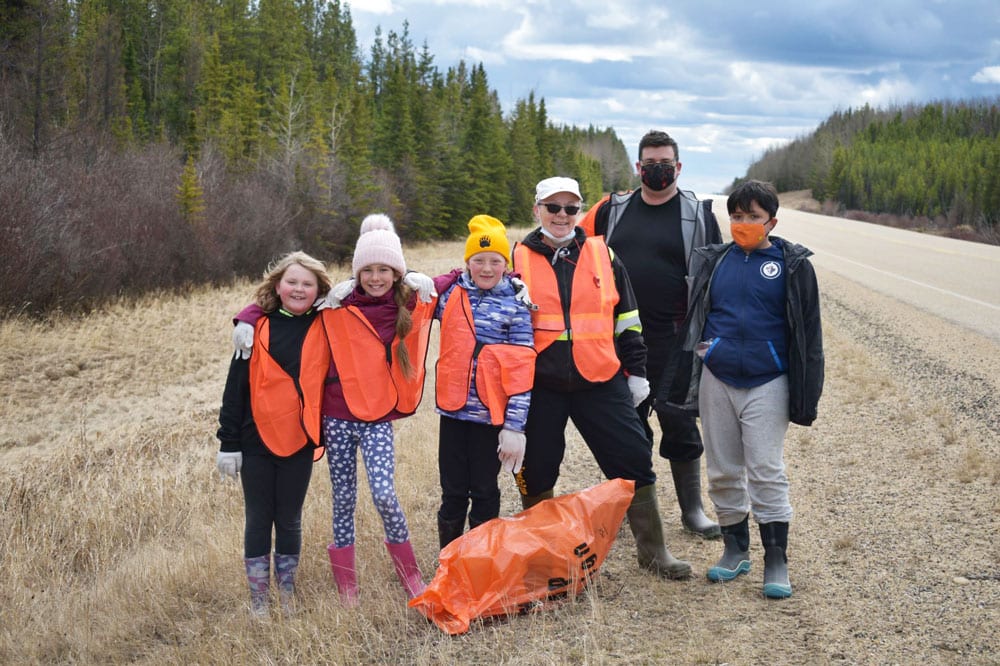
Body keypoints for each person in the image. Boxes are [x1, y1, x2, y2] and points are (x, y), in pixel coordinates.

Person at [231, 214, 438, 607]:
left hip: (377, 419)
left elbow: (465, 282)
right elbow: (283, 303)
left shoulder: (407, 303)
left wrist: (417, 275)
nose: (375, 278)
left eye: (385, 270)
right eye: (367, 270)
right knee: (343, 499)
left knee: (384, 494)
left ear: (396, 273)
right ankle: (346, 583)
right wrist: (246, 318)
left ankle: (410, 575)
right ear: (356, 272)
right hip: (337, 419)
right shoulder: (335, 304)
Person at [511, 176, 692, 580]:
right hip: (540, 382)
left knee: (633, 457)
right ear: (537, 209)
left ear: (579, 212)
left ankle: (653, 552)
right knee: (535, 468)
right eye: (553, 207)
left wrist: (637, 373)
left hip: (600, 377)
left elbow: (628, 318)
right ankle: (542, 555)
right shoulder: (516, 259)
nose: (562, 215)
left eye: (570, 208)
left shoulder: (602, 254)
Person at [670, 180, 824, 598]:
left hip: (768, 380)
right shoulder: (715, 261)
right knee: (722, 469)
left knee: (765, 469)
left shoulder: (792, 265)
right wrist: (705, 353)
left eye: (753, 216)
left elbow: (809, 334)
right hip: (717, 378)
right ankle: (735, 550)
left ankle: (776, 559)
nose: (743, 223)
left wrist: (807, 392)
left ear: (771, 221)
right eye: (737, 216)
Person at [579, 129, 723, 540]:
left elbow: (714, 278)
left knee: (680, 425)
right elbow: (576, 251)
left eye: (665, 163)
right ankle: (636, 512)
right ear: (637, 167)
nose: (657, 169)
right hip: (619, 341)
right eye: (650, 163)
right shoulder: (611, 210)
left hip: (676, 341)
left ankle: (693, 511)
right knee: (626, 428)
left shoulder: (698, 215)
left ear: (678, 167)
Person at [216, 251, 333, 618]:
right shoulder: (254, 329)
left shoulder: (327, 323)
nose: (299, 289)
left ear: (319, 290)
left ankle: (286, 591)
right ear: (278, 286)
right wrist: (228, 443)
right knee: (258, 517)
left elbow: (370, 299)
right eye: (291, 282)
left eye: (307, 284)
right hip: (255, 441)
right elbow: (234, 389)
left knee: (289, 517)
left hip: (300, 440)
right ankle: (259, 600)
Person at [432, 214, 536, 549]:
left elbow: (522, 371)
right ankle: (450, 559)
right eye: (478, 260)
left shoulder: (517, 305)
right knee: (452, 493)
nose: (487, 268)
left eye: (495, 261)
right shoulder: (450, 295)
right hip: (452, 413)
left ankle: (480, 560)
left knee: (485, 491)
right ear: (467, 263)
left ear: (506, 264)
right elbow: (405, 300)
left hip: (490, 418)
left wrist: (514, 426)